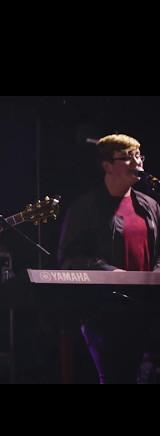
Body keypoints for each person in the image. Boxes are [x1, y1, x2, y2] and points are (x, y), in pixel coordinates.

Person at [58, 134, 160, 384]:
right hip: (105, 312)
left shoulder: (150, 206)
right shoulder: (85, 208)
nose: (137, 162)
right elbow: (70, 257)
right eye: (128, 157)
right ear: (107, 166)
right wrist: (109, 272)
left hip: (148, 308)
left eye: (139, 156)